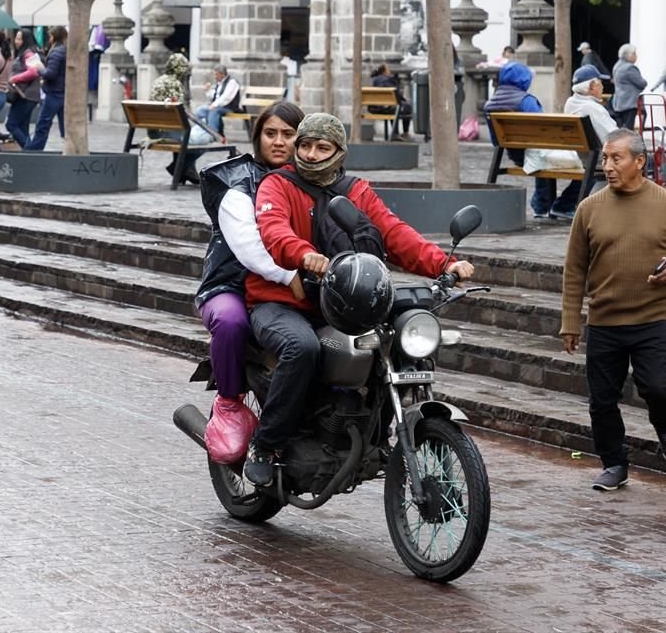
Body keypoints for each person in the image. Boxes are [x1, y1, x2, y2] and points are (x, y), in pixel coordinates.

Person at [243, 113, 475, 487]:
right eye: (305, 145)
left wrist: (443, 263)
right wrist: (303, 255)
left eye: (322, 147)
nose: (312, 154)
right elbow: (274, 231)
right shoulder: (277, 184)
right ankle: (266, 445)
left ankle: (369, 428)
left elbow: (394, 234)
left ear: (339, 151)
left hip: (344, 303)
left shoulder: (356, 190)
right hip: (281, 303)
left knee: (389, 342)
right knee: (301, 348)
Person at [560, 128, 666, 491]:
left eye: (616, 158)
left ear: (639, 162)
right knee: (602, 401)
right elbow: (575, 269)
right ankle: (614, 463)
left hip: (653, 316)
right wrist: (570, 322)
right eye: (605, 158)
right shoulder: (588, 209)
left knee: (658, 386)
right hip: (605, 320)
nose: (608, 165)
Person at [195, 101, 306, 439]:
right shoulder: (237, 183)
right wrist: (289, 276)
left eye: (288, 134)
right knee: (231, 322)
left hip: (291, 288)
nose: (278, 141)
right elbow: (248, 247)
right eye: (270, 133)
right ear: (257, 138)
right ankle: (228, 403)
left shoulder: (312, 179)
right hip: (231, 286)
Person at [483, 62, 561, 219]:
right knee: (545, 154)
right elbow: (543, 131)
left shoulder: (490, 104)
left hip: (514, 155)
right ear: (524, 80)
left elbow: (495, 141)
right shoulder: (527, 101)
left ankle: (542, 205)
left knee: (540, 155)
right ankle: (545, 205)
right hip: (533, 154)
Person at [545, 65, 619, 218]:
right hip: (599, 158)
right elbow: (613, 136)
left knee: (589, 170)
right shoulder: (593, 108)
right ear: (591, 86)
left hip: (584, 157)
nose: (603, 86)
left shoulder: (571, 102)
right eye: (599, 83)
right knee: (642, 159)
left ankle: (562, 204)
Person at [149, 52, 203, 185]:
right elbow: (181, 111)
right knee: (204, 143)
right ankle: (178, 168)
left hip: (155, 131)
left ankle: (185, 171)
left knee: (185, 134)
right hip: (170, 133)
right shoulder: (175, 84)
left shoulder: (158, 81)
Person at [26, 26, 67, 151]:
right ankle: (69, 149)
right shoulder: (65, 50)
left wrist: (40, 68)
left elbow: (51, 74)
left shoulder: (56, 52)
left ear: (53, 37)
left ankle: (34, 152)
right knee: (64, 127)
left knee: (43, 125)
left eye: (50, 36)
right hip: (63, 92)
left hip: (54, 93)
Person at [5, 29, 43, 148]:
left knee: (11, 124)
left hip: (26, 95)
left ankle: (30, 151)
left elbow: (33, 72)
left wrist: (14, 79)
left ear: (25, 40)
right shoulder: (33, 52)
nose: (16, 41)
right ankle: (29, 156)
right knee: (23, 127)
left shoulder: (28, 53)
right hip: (29, 95)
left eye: (19, 38)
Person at [195, 64, 240, 143]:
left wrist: (214, 105)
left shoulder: (232, 82)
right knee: (200, 110)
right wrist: (207, 90)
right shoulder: (220, 83)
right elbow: (215, 96)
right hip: (218, 107)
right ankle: (208, 132)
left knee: (214, 112)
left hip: (229, 107)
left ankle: (213, 135)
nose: (215, 77)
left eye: (216, 74)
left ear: (222, 74)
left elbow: (226, 97)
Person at [370, 62, 412, 140]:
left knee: (394, 107)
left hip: (375, 108)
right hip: (387, 107)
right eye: (388, 69)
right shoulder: (388, 80)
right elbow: (397, 95)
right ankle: (404, 133)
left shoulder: (374, 80)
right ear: (384, 72)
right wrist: (404, 101)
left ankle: (396, 133)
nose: (390, 71)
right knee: (406, 107)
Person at [611, 43, 646, 129]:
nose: (636, 56)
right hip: (629, 103)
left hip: (618, 102)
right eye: (634, 53)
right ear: (628, 55)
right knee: (628, 129)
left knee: (620, 129)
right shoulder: (629, 68)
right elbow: (642, 83)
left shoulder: (617, 66)